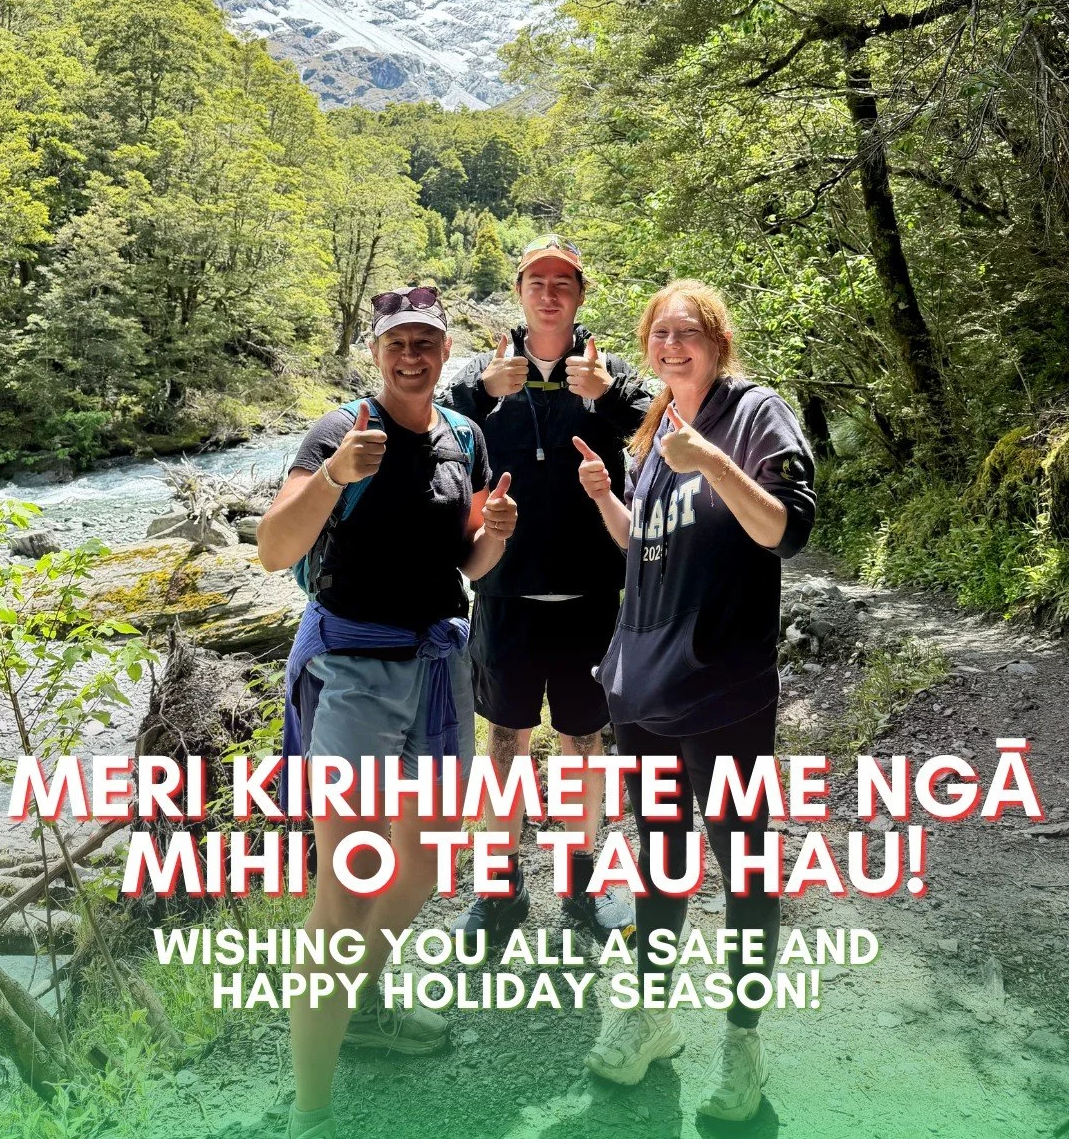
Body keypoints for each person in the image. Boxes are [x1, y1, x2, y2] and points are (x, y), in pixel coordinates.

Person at [256, 286, 517, 1139]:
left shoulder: (464, 437)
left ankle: (357, 1006)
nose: (413, 356)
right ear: (375, 352)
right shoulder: (337, 432)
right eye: (398, 343)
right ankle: (311, 1110)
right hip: (353, 674)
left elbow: (466, 562)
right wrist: (335, 476)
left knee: (428, 862)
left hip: (436, 665)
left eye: (426, 343)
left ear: (445, 352)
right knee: (350, 887)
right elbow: (274, 550)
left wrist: (497, 533)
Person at [575, 278, 816, 1122]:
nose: (672, 346)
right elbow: (646, 547)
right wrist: (607, 498)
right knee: (661, 857)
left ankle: (743, 1042)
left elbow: (786, 530)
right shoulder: (655, 432)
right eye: (660, 334)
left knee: (742, 859)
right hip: (642, 686)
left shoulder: (754, 414)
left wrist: (712, 461)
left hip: (723, 683)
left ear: (718, 342)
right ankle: (653, 1018)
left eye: (688, 333)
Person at [442, 235, 652, 941]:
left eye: (564, 282)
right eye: (538, 281)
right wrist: (483, 393)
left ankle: (582, 883)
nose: (550, 293)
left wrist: (609, 398)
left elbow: (665, 430)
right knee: (504, 740)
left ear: (581, 295)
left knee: (583, 741)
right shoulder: (482, 373)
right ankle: (500, 890)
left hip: (592, 593)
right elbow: (433, 427)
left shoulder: (609, 371)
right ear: (520, 291)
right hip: (504, 591)